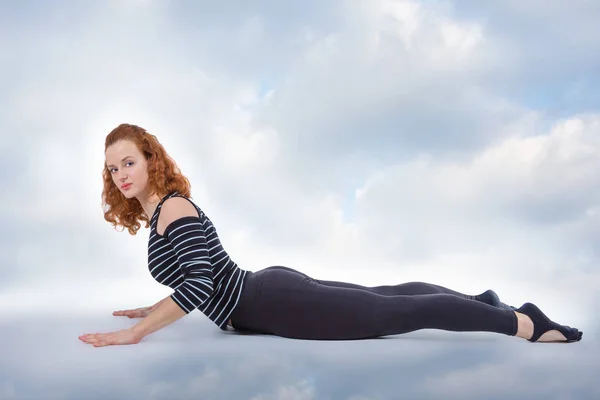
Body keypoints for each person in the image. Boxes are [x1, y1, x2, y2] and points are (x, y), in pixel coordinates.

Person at [78, 124, 583, 347]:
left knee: (396, 312)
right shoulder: (162, 211)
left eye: (129, 161)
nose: (121, 173)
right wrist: (153, 308)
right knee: (383, 298)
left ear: (151, 161)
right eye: (113, 167)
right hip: (266, 292)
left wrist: (135, 333)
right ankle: (482, 300)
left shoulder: (173, 208)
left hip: (271, 303)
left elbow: (200, 284)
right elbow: (194, 274)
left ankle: (523, 323)